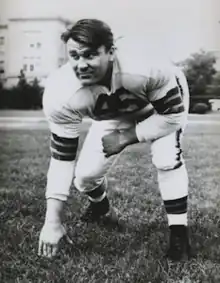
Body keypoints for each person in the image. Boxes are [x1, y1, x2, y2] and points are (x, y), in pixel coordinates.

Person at [38, 18, 191, 260]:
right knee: (85, 177)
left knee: (166, 158)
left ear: (110, 52)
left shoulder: (145, 67)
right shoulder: (60, 91)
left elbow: (172, 116)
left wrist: (127, 137)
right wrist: (52, 222)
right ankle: (101, 207)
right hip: (117, 109)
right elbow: (61, 158)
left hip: (158, 106)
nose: (81, 64)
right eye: (74, 56)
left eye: (89, 55)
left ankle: (179, 235)